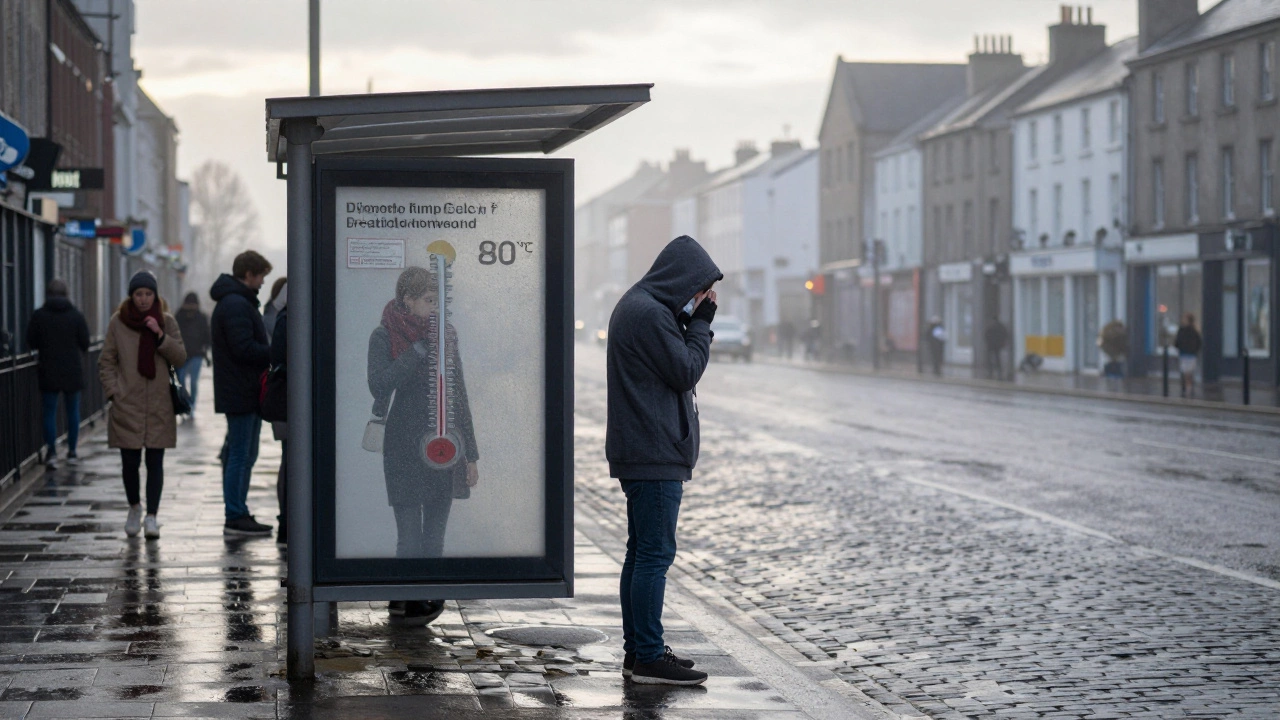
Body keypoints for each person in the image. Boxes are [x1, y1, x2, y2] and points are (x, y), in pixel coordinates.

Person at [606, 235, 722, 686]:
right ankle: (649, 657)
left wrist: (688, 316)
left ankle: (639, 652)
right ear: (683, 279)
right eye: (699, 291)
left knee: (641, 554)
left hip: (644, 448)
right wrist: (702, 324)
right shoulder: (651, 313)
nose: (700, 300)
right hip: (653, 451)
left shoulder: (643, 307)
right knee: (654, 555)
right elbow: (686, 369)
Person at [368, 266, 479, 626]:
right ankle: (405, 601)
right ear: (408, 300)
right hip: (402, 444)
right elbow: (379, 384)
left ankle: (426, 594)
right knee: (409, 536)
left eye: (438, 301)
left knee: (434, 534)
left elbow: (459, 395)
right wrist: (416, 353)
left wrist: (472, 455)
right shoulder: (384, 335)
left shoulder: (446, 336)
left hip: (442, 444)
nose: (434, 308)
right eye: (429, 301)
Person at [98, 271, 186, 539]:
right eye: (139, 294)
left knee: (156, 462)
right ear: (131, 295)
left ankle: (152, 517)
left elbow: (180, 357)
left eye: (148, 294)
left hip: (159, 404)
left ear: (155, 295)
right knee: (129, 463)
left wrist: (160, 336)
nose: (144, 299)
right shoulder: (118, 322)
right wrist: (115, 392)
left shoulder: (167, 321)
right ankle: (135, 507)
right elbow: (106, 360)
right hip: (128, 404)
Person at [211, 250, 274, 536]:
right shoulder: (236, 304)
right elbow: (243, 348)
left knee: (244, 453)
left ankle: (238, 511)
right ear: (248, 274)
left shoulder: (236, 301)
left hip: (241, 390)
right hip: (241, 391)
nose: (262, 282)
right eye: (260, 275)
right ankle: (235, 514)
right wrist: (276, 352)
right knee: (241, 454)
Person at [26, 279, 90, 469]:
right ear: (66, 294)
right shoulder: (76, 316)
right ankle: (71, 452)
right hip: (72, 370)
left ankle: (51, 452)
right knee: (72, 412)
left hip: (48, 369)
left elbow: (31, 341)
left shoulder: (39, 316)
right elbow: (85, 343)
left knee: (49, 412)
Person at [267, 287, 289, 545]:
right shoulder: (288, 318)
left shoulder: (281, 316)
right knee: (290, 460)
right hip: (288, 402)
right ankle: (286, 522)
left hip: (284, 401)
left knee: (288, 459)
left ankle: (286, 521)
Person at [173, 292, 211, 415]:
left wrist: (206, 349)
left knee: (193, 382)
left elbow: (207, 335)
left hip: (197, 354)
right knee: (182, 381)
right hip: (182, 354)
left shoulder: (201, 317)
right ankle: (187, 403)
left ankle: (191, 404)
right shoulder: (179, 316)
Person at [1173, 313, 1202, 398]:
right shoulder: (1192, 331)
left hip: (1187, 354)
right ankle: (1188, 389)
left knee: (1186, 372)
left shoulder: (1186, 331)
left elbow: (1198, 342)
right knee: (1187, 372)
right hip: (1187, 354)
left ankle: (1187, 389)